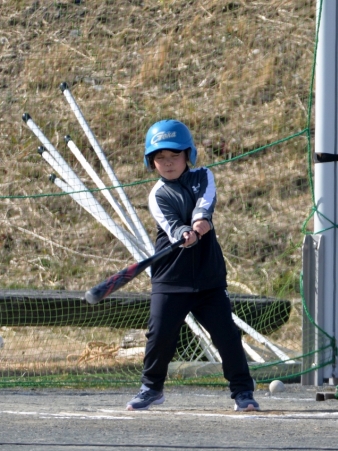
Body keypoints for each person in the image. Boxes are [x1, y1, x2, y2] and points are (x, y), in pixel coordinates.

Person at [126, 119, 259, 412]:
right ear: (151, 162)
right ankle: (151, 389)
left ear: (188, 154)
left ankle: (243, 392)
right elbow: (172, 226)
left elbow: (204, 205)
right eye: (160, 157)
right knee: (160, 335)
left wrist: (198, 225)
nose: (168, 163)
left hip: (208, 278)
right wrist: (184, 233)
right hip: (171, 278)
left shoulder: (203, 176)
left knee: (226, 335)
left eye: (174, 155)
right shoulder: (157, 195)